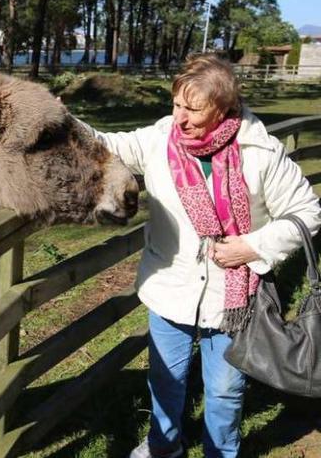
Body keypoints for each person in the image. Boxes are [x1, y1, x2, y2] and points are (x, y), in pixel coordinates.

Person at [77, 54, 321, 458]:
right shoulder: (161, 137)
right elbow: (108, 144)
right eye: (176, 105)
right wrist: (55, 119)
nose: (180, 117)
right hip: (170, 286)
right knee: (165, 379)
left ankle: (220, 452)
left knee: (225, 389)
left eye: (193, 108)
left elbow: (307, 212)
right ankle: (164, 446)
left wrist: (253, 246)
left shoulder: (260, 150)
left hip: (233, 299)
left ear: (224, 108)